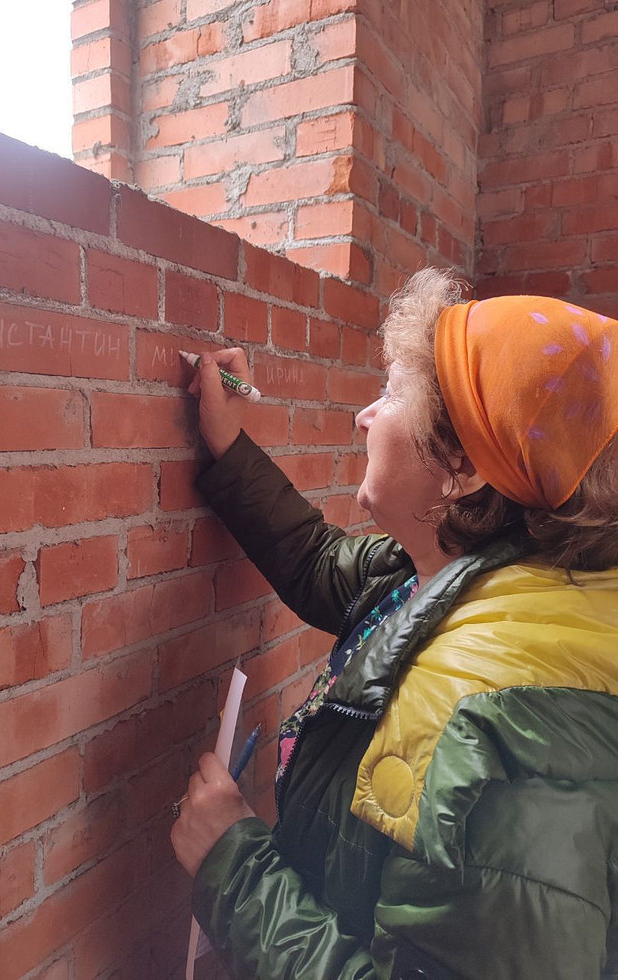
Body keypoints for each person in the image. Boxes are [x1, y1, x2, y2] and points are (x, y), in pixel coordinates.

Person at [170, 267, 618, 980]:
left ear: (461, 466)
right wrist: (229, 445)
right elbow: (319, 563)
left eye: (390, 394)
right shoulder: (456, 569)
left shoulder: (500, 732)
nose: (365, 416)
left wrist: (236, 868)